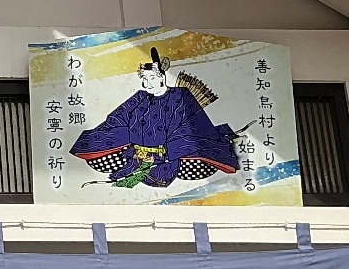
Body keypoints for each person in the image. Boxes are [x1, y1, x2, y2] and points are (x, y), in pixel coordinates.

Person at [71, 47, 240, 189]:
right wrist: (125, 135)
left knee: (197, 167)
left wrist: (169, 149)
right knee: (98, 154)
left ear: (162, 76)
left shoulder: (180, 96)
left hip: (169, 156)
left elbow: (192, 125)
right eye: (144, 79)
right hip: (136, 155)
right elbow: (117, 118)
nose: (147, 83)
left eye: (151, 78)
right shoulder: (140, 97)